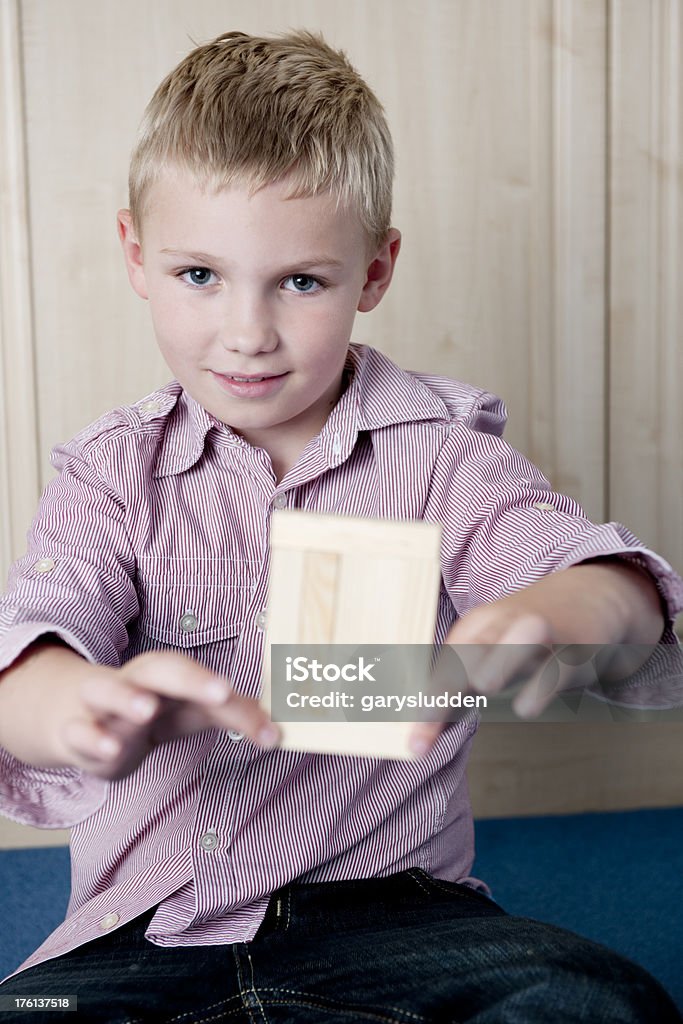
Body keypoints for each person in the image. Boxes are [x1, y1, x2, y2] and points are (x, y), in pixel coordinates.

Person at [0, 28, 681, 1024]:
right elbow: (28, 647)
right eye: (200, 275)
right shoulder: (110, 475)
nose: (246, 331)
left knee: (595, 1004)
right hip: (138, 939)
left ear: (373, 270)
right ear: (136, 257)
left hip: (403, 924)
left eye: (300, 282)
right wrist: (80, 706)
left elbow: (597, 578)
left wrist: (566, 611)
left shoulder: (443, 458)